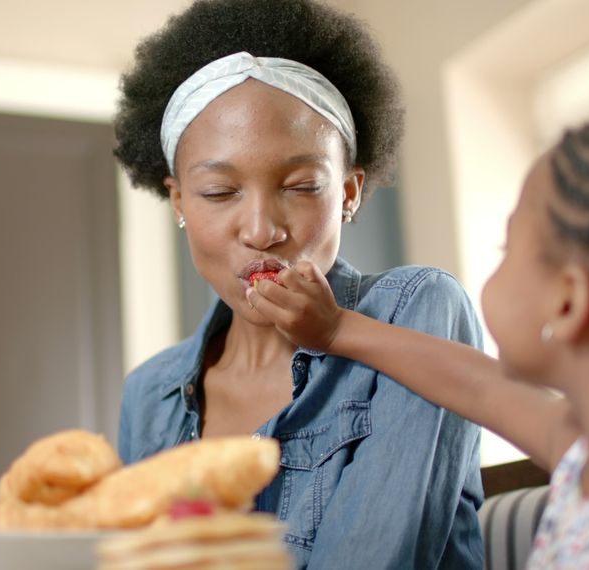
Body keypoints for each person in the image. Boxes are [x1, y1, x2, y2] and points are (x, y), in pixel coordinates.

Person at [248, 107, 589, 569]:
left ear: (568, 302)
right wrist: (337, 328)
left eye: (507, 246)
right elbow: (475, 386)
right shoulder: (588, 447)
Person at [112, 0, 485, 567]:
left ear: (350, 193)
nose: (262, 231)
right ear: (178, 200)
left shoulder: (417, 312)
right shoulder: (149, 396)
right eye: (219, 192)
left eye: (301, 185)